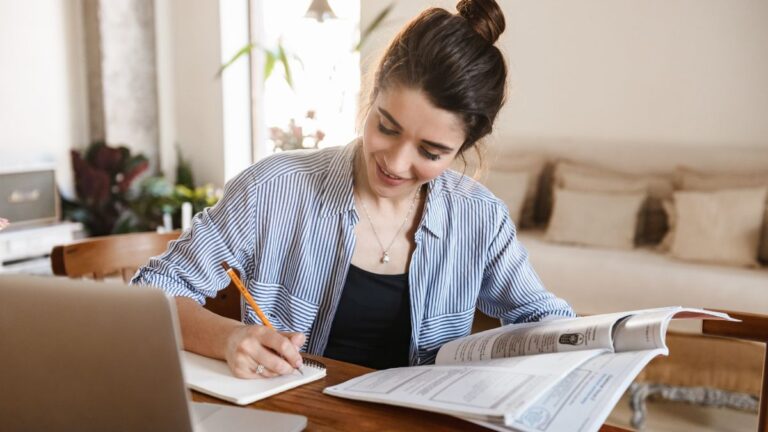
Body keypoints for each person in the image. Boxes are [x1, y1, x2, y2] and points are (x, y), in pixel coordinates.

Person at [131, 0, 574, 378]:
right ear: (372, 92)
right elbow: (151, 293)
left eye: (431, 151)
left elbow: (540, 317)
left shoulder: (480, 217)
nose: (396, 163)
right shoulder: (272, 189)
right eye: (386, 126)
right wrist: (231, 338)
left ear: (464, 147)